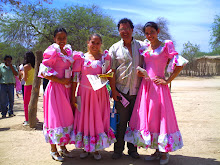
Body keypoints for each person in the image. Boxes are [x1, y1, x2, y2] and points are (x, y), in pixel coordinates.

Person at [124, 22, 188, 165]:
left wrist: (168, 80)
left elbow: (180, 63)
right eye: (147, 33)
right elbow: (147, 66)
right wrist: (142, 73)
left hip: (159, 88)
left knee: (161, 117)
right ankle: (157, 150)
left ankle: (164, 152)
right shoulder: (145, 47)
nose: (149, 35)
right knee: (151, 118)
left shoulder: (166, 45)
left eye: (152, 32)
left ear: (158, 31)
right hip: (146, 87)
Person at [71, 33, 116, 160]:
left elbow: (109, 75)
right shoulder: (81, 58)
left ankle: (96, 148)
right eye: (92, 42)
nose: (95, 45)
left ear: (101, 44)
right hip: (84, 94)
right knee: (84, 118)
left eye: (97, 43)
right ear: (88, 42)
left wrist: (107, 76)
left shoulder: (105, 58)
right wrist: (73, 96)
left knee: (97, 119)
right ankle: (86, 147)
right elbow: (75, 78)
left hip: (100, 94)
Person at [109, 18, 144, 159]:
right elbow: (111, 71)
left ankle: (133, 150)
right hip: (121, 92)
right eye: (121, 29)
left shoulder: (142, 46)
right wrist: (114, 90)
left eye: (127, 28)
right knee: (121, 123)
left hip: (138, 92)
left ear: (132, 29)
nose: (124, 31)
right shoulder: (114, 48)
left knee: (135, 123)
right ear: (119, 31)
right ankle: (118, 150)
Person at [38, 28, 75, 162]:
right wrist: (60, 80)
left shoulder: (68, 50)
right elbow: (43, 73)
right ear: (54, 39)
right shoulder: (52, 51)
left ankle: (63, 147)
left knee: (65, 118)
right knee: (54, 119)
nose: (62, 40)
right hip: (55, 90)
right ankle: (53, 149)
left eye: (64, 38)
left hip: (66, 89)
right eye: (59, 38)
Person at [22, 51, 35, 126]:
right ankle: (34, 117)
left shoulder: (26, 66)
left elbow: (25, 79)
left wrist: (23, 73)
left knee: (26, 103)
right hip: (34, 86)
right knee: (33, 102)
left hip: (28, 86)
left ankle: (27, 120)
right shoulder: (36, 65)